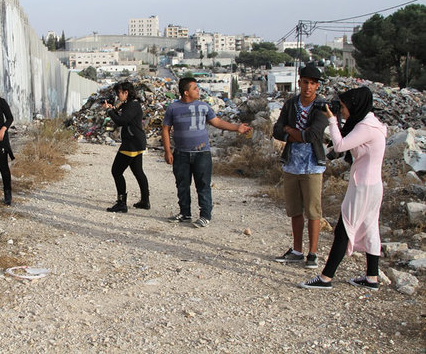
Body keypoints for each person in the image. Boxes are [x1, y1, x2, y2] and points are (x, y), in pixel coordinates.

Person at [300, 87, 386, 290]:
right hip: (372, 185)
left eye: (344, 107)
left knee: (344, 229)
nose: (343, 111)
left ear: (355, 106)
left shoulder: (366, 127)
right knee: (371, 228)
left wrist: (331, 119)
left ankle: (326, 277)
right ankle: (371, 277)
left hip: (363, 186)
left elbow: (339, 146)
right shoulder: (373, 123)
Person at [162, 77, 251, 228]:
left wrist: (237, 128)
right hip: (181, 154)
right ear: (186, 92)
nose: (198, 91)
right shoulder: (173, 108)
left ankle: (205, 215)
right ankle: (185, 213)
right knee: (182, 184)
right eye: (195, 88)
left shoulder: (204, 106)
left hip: (202, 153)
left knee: (203, 185)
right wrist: (167, 151)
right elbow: (165, 129)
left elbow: (217, 122)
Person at [272, 64, 327, 268]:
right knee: (295, 210)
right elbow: (277, 130)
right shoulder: (291, 104)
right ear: (299, 82)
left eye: (313, 84)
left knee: (313, 211)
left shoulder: (321, 107)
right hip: (292, 164)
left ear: (317, 86)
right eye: (305, 82)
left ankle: (312, 253)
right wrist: (290, 132)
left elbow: (312, 136)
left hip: (313, 166)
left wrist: (290, 131)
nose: (308, 87)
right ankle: (297, 250)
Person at [102, 81, 149, 213]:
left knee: (116, 171)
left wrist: (109, 111)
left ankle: (121, 203)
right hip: (136, 141)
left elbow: (121, 121)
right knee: (138, 171)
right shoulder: (130, 104)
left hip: (131, 143)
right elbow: (122, 118)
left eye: (119, 93)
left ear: (126, 93)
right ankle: (145, 201)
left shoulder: (132, 105)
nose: (118, 96)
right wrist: (113, 109)